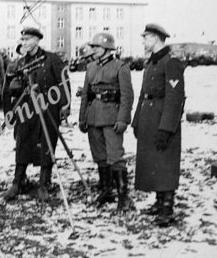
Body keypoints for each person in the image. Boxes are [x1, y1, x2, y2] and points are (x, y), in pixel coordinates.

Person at [2, 27, 71, 202]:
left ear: (37, 40)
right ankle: (17, 182)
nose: (23, 43)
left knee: (47, 144)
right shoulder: (18, 63)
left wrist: (65, 106)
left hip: (49, 109)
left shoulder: (51, 59)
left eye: (27, 40)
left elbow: (64, 82)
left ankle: (44, 183)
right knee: (23, 143)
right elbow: (7, 90)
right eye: (22, 40)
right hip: (25, 110)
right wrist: (9, 112)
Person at [132, 24, 185, 227]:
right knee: (154, 160)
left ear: (155, 38)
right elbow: (143, 93)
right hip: (148, 117)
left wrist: (166, 128)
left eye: (146, 38)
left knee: (165, 160)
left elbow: (174, 98)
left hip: (163, 118)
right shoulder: (151, 63)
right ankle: (159, 201)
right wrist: (137, 120)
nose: (144, 42)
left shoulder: (170, 63)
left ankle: (167, 207)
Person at [78, 33, 134, 213]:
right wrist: (82, 117)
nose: (93, 50)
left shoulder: (120, 67)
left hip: (111, 118)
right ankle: (106, 190)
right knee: (100, 156)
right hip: (93, 117)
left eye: (96, 47)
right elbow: (86, 95)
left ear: (108, 49)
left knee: (115, 156)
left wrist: (123, 119)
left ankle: (123, 197)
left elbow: (127, 96)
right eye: (92, 47)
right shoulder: (91, 67)